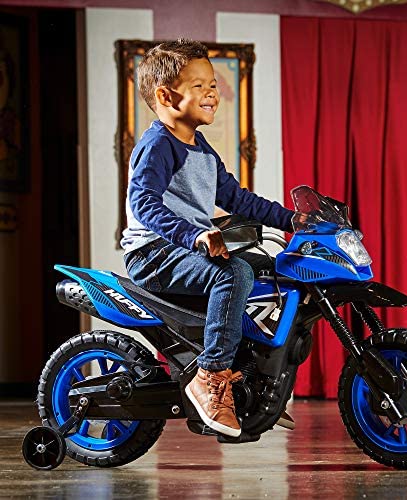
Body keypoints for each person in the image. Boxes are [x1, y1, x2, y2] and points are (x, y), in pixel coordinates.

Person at [120, 39, 294, 438]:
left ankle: (258, 378)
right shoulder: (158, 145)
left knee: (273, 270)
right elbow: (144, 203)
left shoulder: (200, 148)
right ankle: (210, 377)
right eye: (199, 86)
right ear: (166, 96)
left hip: (185, 248)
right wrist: (195, 235)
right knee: (233, 274)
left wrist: (294, 220)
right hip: (154, 253)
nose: (212, 93)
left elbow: (237, 199)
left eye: (212, 84)